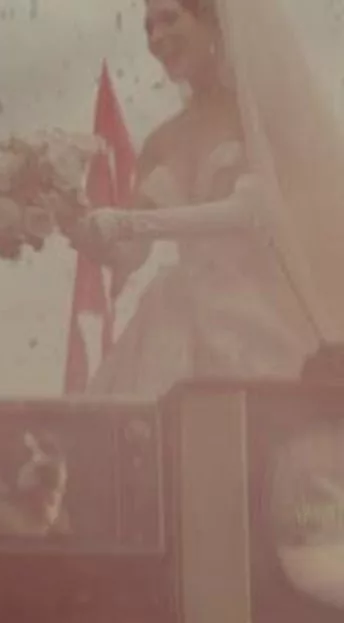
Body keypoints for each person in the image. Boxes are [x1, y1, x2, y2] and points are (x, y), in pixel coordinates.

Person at [69, 0, 344, 396]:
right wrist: (70, 219)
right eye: (148, 27)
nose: (156, 37)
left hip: (258, 317)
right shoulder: (161, 142)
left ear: (213, 22)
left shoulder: (258, 115)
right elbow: (129, 255)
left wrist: (124, 222)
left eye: (169, 19)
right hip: (175, 315)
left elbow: (253, 211)